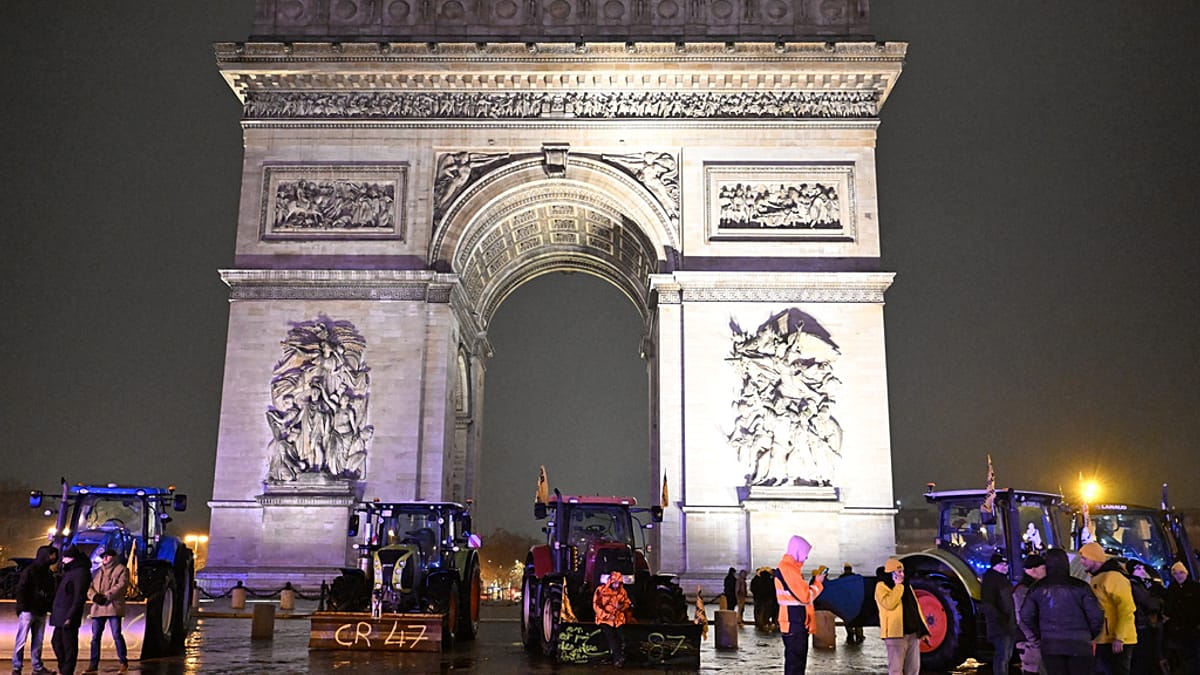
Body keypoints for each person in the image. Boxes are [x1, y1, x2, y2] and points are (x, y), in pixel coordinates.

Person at [1019, 547, 1104, 675]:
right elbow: (1096, 615)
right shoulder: (1081, 586)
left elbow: (1025, 615)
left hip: (1050, 644)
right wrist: (1089, 634)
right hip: (1079, 644)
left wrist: (1040, 634)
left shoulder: (1037, 588)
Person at [1079, 541, 1138, 675]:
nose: (1082, 562)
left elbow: (1126, 608)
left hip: (1117, 641)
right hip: (1105, 639)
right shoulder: (1097, 577)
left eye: (1084, 558)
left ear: (1094, 558)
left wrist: (1119, 637)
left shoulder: (1112, 577)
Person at [774, 535, 825, 675]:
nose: (806, 557)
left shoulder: (789, 569)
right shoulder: (788, 569)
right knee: (795, 665)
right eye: (805, 553)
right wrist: (818, 583)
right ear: (797, 551)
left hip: (794, 621)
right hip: (794, 622)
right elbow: (805, 596)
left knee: (795, 664)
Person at [874, 558, 929, 675]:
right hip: (895, 635)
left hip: (912, 634)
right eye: (899, 572)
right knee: (896, 669)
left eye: (902, 571)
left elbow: (915, 608)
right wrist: (898, 586)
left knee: (913, 668)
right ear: (891, 573)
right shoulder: (881, 586)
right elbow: (889, 604)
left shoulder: (907, 586)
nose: (902, 574)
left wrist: (923, 630)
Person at [13, 545, 59, 675]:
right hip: (29, 611)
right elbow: (22, 590)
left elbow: (49, 593)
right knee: (23, 640)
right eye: (52, 555)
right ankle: (18, 667)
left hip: (39, 611)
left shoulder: (47, 573)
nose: (54, 557)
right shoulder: (32, 571)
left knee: (37, 641)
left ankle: (35, 667)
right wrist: (23, 608)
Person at [84, 548, 129, 674]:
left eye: (107, 556)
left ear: (114, 557)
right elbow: (89, 586)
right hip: (98, 607)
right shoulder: (97, 571)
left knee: (116, 635)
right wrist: (94, 597)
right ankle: (93, 665)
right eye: (103, 556)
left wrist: (106, 596)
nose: (104, 558)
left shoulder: (122, 569)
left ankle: (123, 662)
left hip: (113, 607)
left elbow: (121, 586)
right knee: (95, 637)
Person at [49, 546, 91, 675]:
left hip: (68, 615)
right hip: (61, 614)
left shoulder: (81, 572)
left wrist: (70, 616)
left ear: (72, 558)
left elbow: (79, 596)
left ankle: (67, 671)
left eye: (65, 557)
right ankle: (64, 669)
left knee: (69, 646)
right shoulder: (70, 571)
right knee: (57, 642)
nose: (62, 560)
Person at [1126, 560, 1166, 675]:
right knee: (1143, 659)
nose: (1143, 570)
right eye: (1138, 569)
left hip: (1147, 624)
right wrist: (1158, 602)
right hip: (1142, 625)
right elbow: (1149, 602)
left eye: (1143, 568)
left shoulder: (1144, 584)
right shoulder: (1135, 584)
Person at [980, 552, 1018, 675]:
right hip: (1001, 627)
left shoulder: (1002, 580)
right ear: (995, 566)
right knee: (1002, 656)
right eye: (1002, 564)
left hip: (1008, 625)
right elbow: (988, 605)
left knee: (1006, 656)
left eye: (1006, 564)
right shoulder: (992, 581)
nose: (1005, 567)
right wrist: (1002, 620)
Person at [1164, 561, 1200, 675]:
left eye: (1181, 573)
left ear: (1186, 573)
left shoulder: (1195, 588)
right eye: (1176, 573)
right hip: (1180, 630)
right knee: (1187, 657)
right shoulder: (1171, 589)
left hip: (1194, 628)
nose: (1179, 576)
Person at [1013, 553, 1047, 675]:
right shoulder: (1022, 590)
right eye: (1043, 568)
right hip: (1029, 642)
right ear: (1033, 570)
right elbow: (1023, 618)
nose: (1046, 571)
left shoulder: (1034, 588)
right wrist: (1034, 640)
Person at [592, 571, 631, 668]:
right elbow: (596, 606)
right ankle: (617, 659)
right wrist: (607, 616)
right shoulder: (601, 590)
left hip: (618, 620)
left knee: (621, 638)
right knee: (612, 638)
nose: (617, 585)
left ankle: (618, 657)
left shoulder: (622, 592)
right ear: (610, 582)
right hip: (604, 620)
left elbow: (627, 603)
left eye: (619, 583)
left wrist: (621, 606)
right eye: (615, 583)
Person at [839, 563, 865, 644]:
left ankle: (850, 634)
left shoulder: (841, 578)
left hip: (846, 603)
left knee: (847, 619)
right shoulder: (855, 578)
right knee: (858, 619)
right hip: (855, 602)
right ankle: (859, 635)